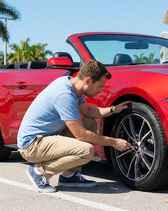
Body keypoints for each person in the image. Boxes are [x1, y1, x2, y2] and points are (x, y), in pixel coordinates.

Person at [17, 60, 131, 193]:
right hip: (32, 145)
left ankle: (69, 175)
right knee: (86, 150)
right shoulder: (64, 94)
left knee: (89, 123)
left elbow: (87, 112)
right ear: (88, 81)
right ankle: (39, 172)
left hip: (46, 138)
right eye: (99, 86)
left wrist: (112, 110)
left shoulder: (73, 86)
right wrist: (114, 142)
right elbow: (81, 134)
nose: (100, 91)